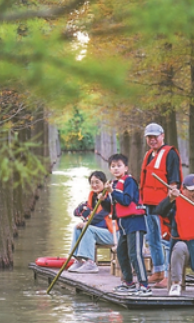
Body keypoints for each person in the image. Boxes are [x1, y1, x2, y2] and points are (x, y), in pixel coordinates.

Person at [139, 123, 180, 287]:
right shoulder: (148, 154)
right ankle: (158, 270)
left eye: (155, 136)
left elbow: (174, 176)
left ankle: (170, 275)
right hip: (148, 202)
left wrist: (173, 191)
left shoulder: (170, 154)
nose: (152, 140)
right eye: (149, 137)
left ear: (162, 135)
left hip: (165, 204)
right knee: (152, 238)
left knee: (166, 238)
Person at [105, 153, 152, 296]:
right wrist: (103, 198)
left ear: (126, 168)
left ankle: (144, 285)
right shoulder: (113, 184)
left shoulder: (129, 182)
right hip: (124, 223)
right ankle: (128, 283)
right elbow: (111, 206)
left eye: (119, 166)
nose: (116, 169)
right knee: (121, 252)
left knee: (135, 254)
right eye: (113, 166)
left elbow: (126, 201)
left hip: (135, 222)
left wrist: (113, 192)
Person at [68, 171, 116, 274]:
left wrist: (87, 224)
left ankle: (91, 263)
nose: (94, 185)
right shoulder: (93, 198)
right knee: (77, 228)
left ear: (104, 183)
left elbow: (101, 217)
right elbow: (79, 212)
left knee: (87, 228)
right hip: (99, 233)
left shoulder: (108, 197)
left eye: (97, 182)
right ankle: (79, 260)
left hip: (113, 234)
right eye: (92, 182)